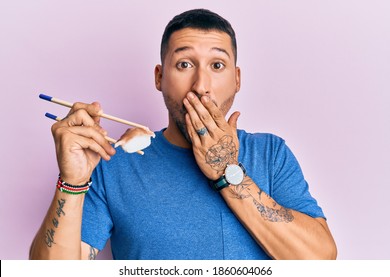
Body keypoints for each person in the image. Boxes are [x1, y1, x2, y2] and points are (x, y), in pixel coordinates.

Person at [30, 8, 337, 260]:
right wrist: (73, 181)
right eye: (184, 64)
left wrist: (227, 173)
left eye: (217, 65)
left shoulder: (270, 153)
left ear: (237, 79)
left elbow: (319, 260)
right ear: (160, 77)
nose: (200, 85)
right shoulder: (115, 162)